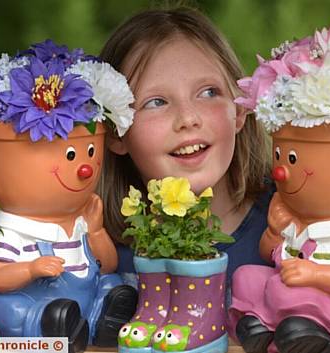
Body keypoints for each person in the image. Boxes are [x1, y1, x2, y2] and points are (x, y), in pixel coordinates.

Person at [97, 7, 273, 294]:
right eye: (156, 102)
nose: (188, 118)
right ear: (116, 133)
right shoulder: (95, 250)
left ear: (239, 110)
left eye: (208, 92)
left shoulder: (294, 222)